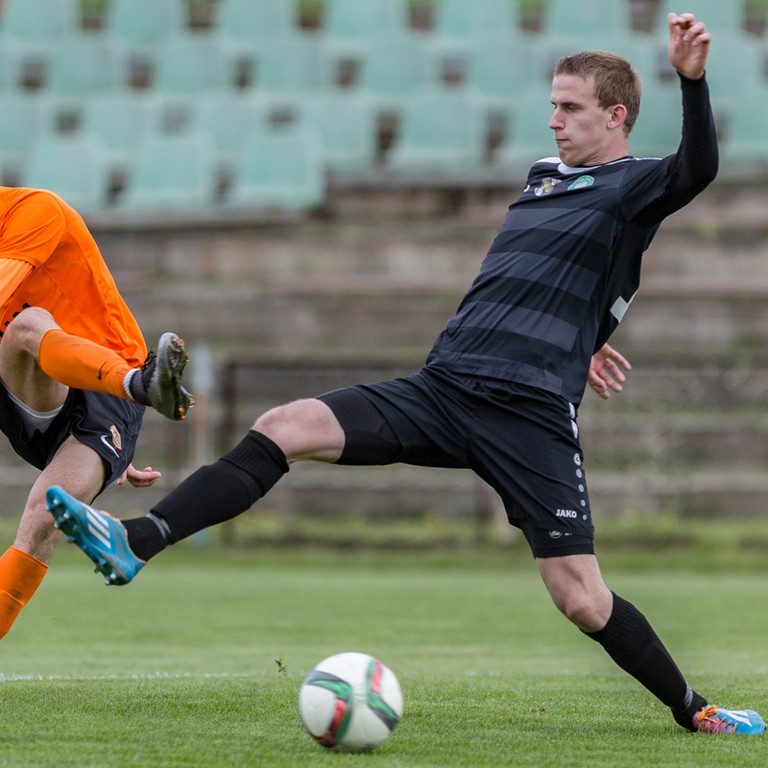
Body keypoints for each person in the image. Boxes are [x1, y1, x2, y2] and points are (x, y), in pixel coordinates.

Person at [47, 13, 765, 736]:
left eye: (571, 108)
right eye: (551, 104)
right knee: (283, 426)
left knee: (580, 596)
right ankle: (136, 542)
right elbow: (569, 272)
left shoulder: (634, 186)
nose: (553, 121)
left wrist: (691, 80)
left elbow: (695, 172)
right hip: (445, 387)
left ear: (615, 117)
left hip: (529, 415)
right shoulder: (545, 178)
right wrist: (592, 333)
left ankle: (695, 709)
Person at [0, 184, 193, 641]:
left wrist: (110, 456)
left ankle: (142, 384)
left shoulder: (33, 210)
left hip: (110, 393)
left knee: (45, 517)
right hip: (26, 384)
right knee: (25, 331)